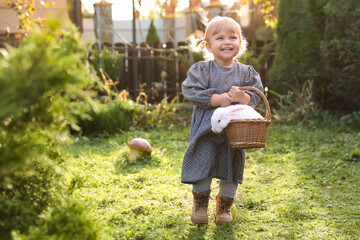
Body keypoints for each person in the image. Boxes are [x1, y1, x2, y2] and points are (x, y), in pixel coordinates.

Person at [181, 16, 264, 225]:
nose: (227, 42)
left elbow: (257, 96)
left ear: (240, 43)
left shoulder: (246, 72)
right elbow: (189, 89)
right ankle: (200, 203)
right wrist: (217, 99)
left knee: (232, 167)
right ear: (208, 46)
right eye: (220, 38)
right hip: (206, 130)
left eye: (232, 37)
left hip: (234, 133)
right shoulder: (202, 70)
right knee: (203, 162)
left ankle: (224, 206)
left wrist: (242, 98)